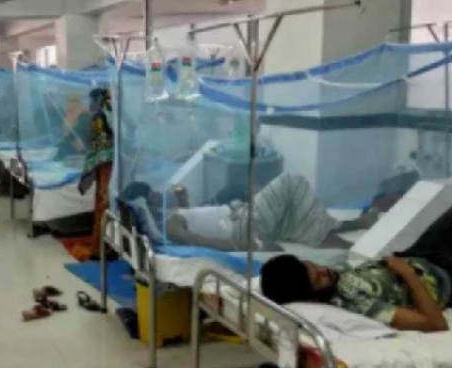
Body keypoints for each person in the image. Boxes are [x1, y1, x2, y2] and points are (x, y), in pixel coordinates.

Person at [260, 204, 452, 333]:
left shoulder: (331, 279)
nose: (324, 270)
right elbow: (436, 324)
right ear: (313, 297)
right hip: (445, 277)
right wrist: (407, 273)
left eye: (313, 266)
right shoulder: (358, 304)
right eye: (319, 279)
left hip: (420, 254)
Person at [129, 173, 406, 252]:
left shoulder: (172, 212)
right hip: (243, 225)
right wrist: (248, 245)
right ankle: (325, 236)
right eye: (153, 196)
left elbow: (192, 213)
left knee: (293, 215)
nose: (160, 197)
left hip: (241, 214)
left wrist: (181, 198)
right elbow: (201, 242)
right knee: (292, 182)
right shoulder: (169, 225)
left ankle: (354, 223)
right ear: (148, 204)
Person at [77, 87, 114, 259]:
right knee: (104, 202)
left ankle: (102, 247)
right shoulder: (109, 116)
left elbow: (97, 144)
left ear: (99, 101)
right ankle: (103, 246)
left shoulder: (101, 118)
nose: (89, 104)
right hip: (107, 164)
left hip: (105, 165)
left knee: (103, 203)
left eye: (92, 101)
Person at [54, 94, 90, 160]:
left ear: (78, 102)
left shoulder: (83, 113)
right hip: (69, 144)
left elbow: (82, 131)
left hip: (79, 147)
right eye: (68, 101)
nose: (69, 103)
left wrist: (69, 134)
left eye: (73, 101)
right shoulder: (69, 113)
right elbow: (66, 129)